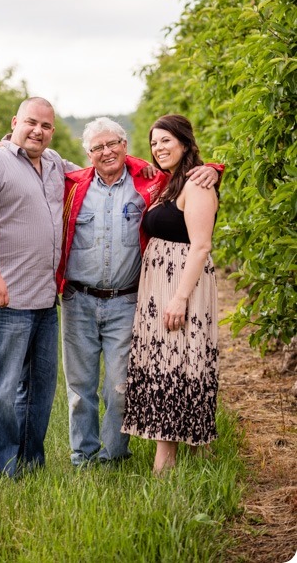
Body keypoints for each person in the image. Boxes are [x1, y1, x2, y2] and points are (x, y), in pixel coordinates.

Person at [56, 117, 222, 467]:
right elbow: (36, 162)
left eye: (113, 143)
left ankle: (115, 456)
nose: (107, 151)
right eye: (98, 147)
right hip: (79, 299)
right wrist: (5, 146)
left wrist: (214, 169)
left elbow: (193, 185)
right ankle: (83, 459)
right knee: (79, 391)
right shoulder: (72, 183)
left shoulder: (149, 182)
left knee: (121, 387)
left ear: (126, 147)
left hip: (127, 298)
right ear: (87, 154)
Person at [0, 96, 78, 479]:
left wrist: (199, 168)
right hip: (3, 296)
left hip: (44, 299)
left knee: (39, 392)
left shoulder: (55, 164)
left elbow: (105, 170)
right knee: (3, 390)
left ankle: (29, 466)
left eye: (46, 126)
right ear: (15, 122)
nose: (38, 131)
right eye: (31, 122)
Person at [121, 114, 220, 474]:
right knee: (169, 362)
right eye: (154, 142)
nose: (158, 148)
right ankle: (197, 452)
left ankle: (170, 459)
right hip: (159, 284)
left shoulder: (197, 185)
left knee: (179, 362)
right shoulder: (169, 182)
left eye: (166, 140)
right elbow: (120, 158)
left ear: (184, 143)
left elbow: (201, 246)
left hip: (181, 284)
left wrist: (179, 297)